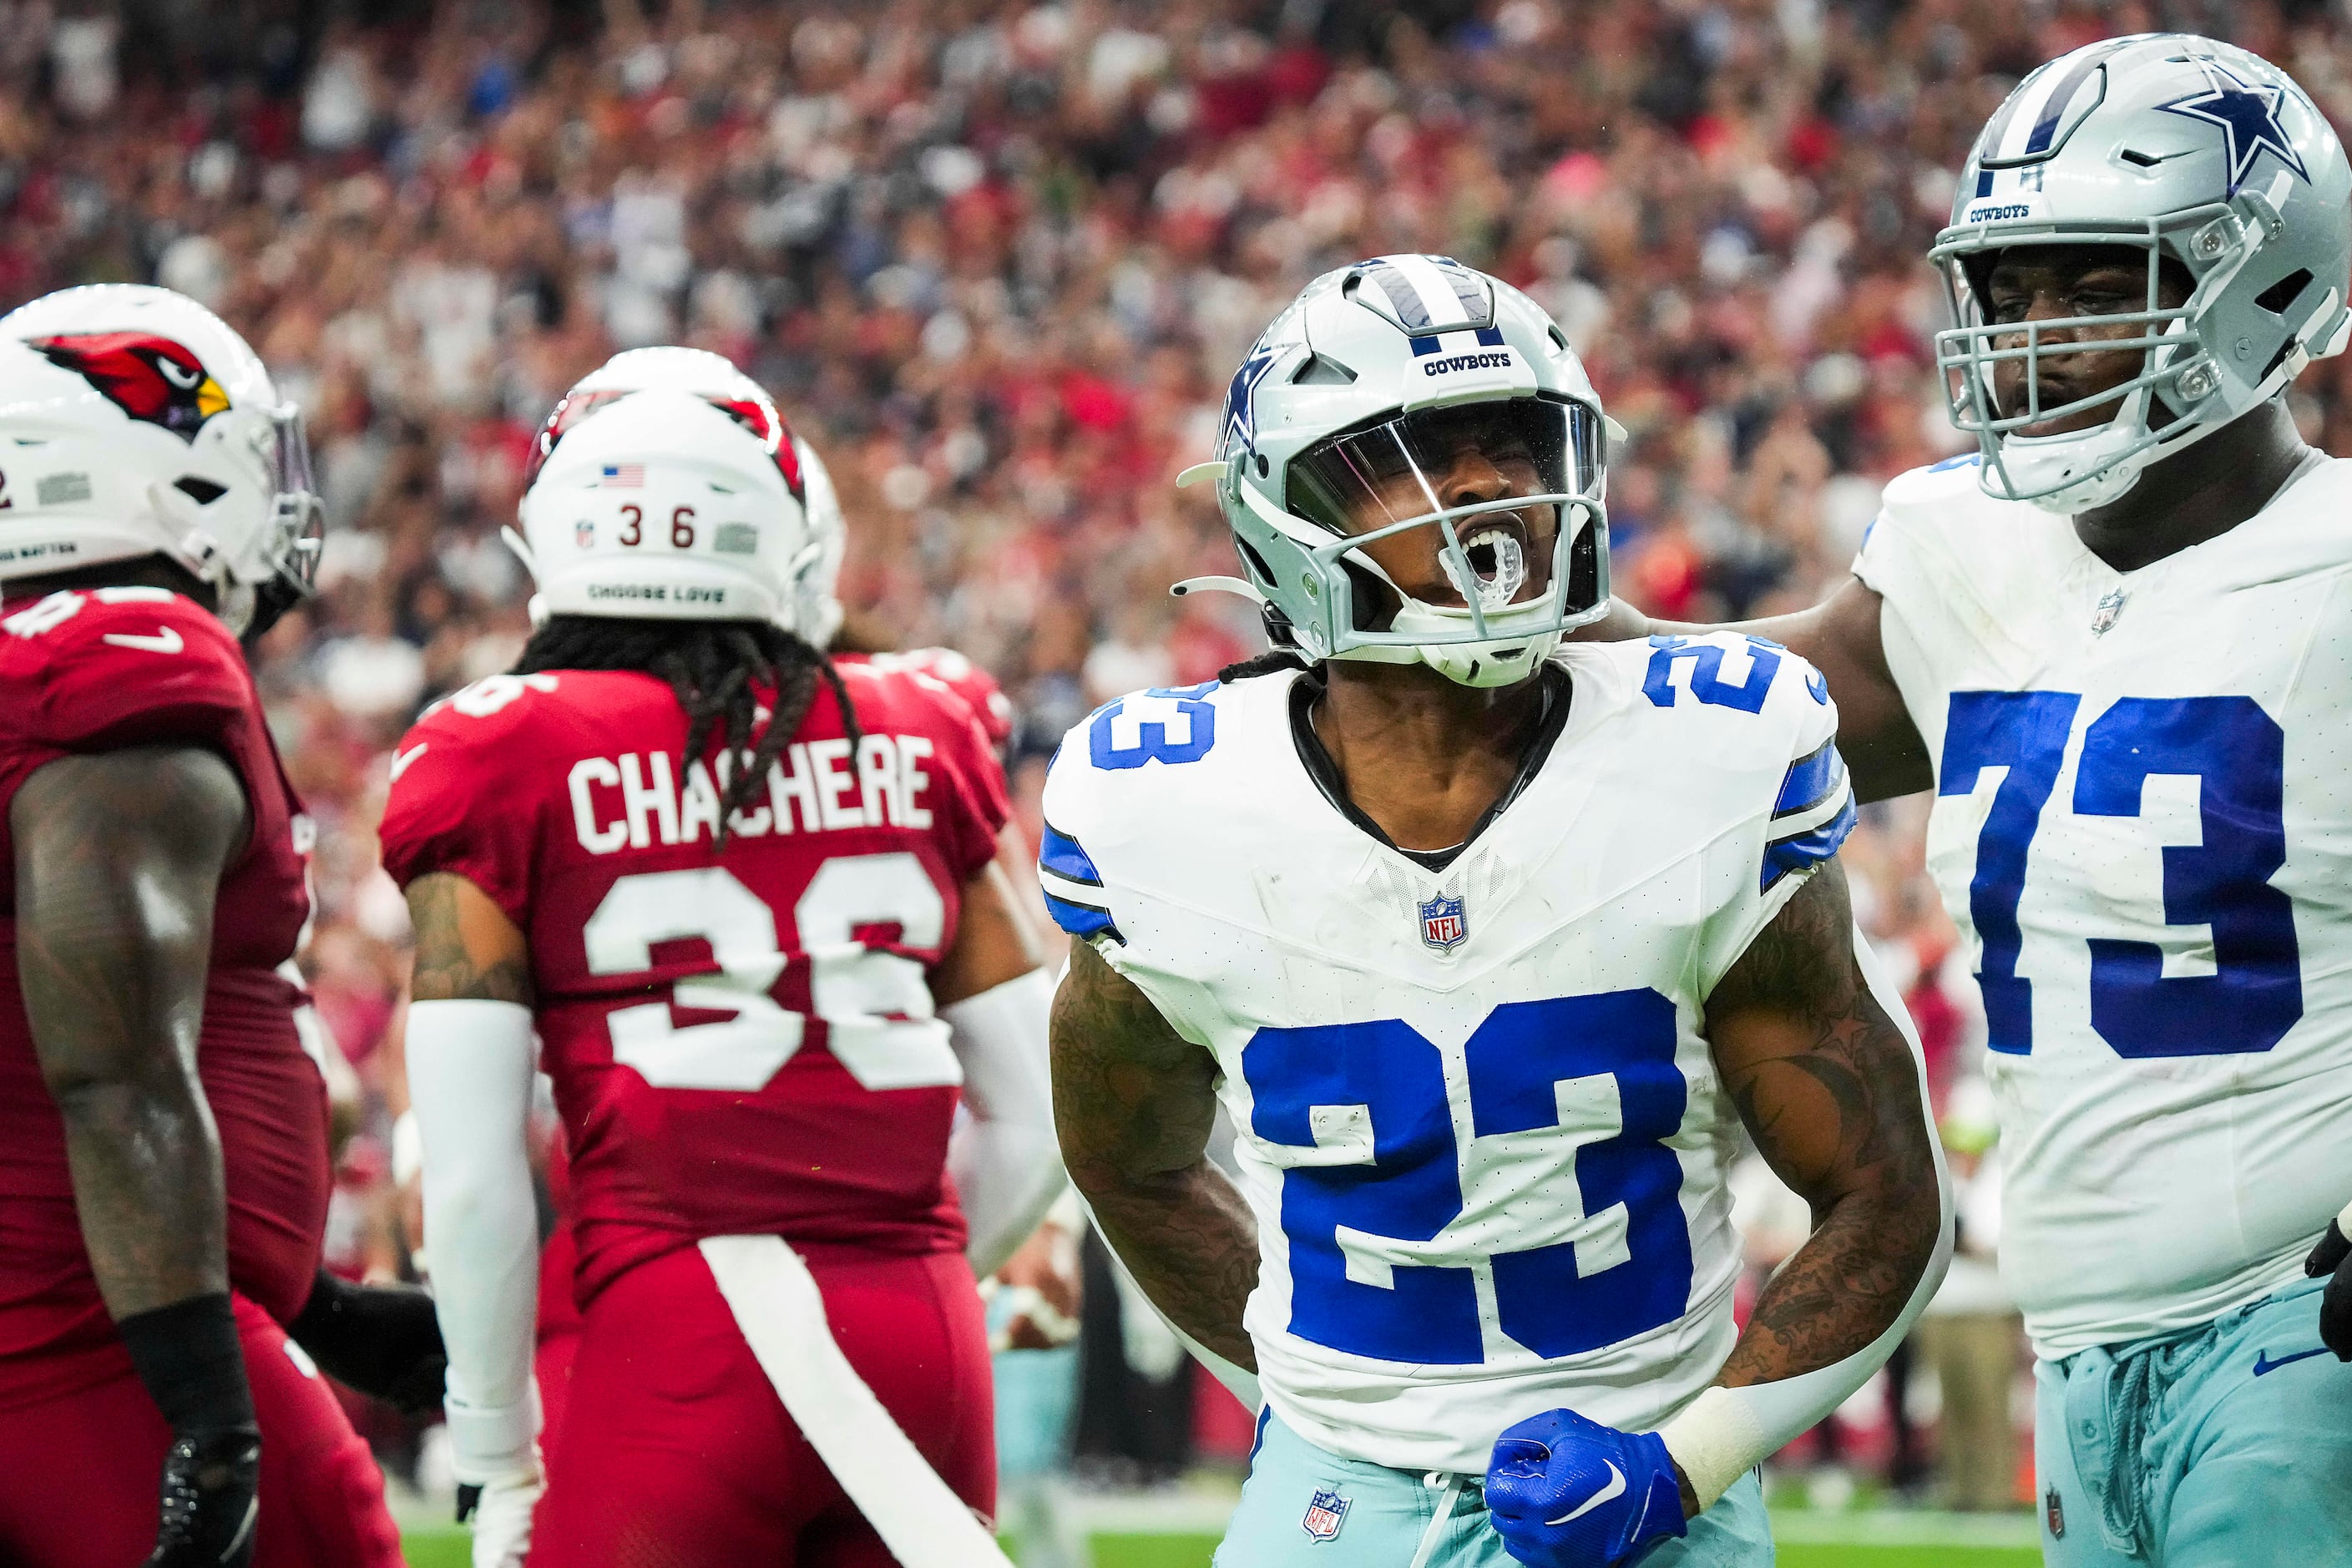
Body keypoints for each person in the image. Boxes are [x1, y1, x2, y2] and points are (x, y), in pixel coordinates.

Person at [1044, 253, 1951, 1568]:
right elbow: (1128, 1157)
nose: (1481, 488)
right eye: (1408, 454)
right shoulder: (1168, 808)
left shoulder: (1703, 752)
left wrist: (1679, 1464)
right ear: (1281, 510)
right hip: (1335, 1502)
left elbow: (1884, 1198)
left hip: (1653, 1483)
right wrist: (1306, 1410)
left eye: (1514, 444)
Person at [1583, 35, 2352, 1565]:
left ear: (2264, 283)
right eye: (2012, 286)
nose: (2036, 332)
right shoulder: (1959, 547)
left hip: (2300, 1336)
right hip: (2078, 1348)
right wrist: (1511, 614)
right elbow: (1742, 701)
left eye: (2094, 280)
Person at [382, 384, 1065, 1567]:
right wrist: (928, 1259)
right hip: (923, 1333)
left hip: (678, 1338)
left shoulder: (498, 749)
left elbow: (476, 1178)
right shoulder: (913, 719)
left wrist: (494, 1451)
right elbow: (1045, 1103)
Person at [0, 284, 426, 1565]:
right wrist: (207, 1408)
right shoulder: (117, 654)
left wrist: (320, 1302)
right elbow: (111, 1065)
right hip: (86, 1346)